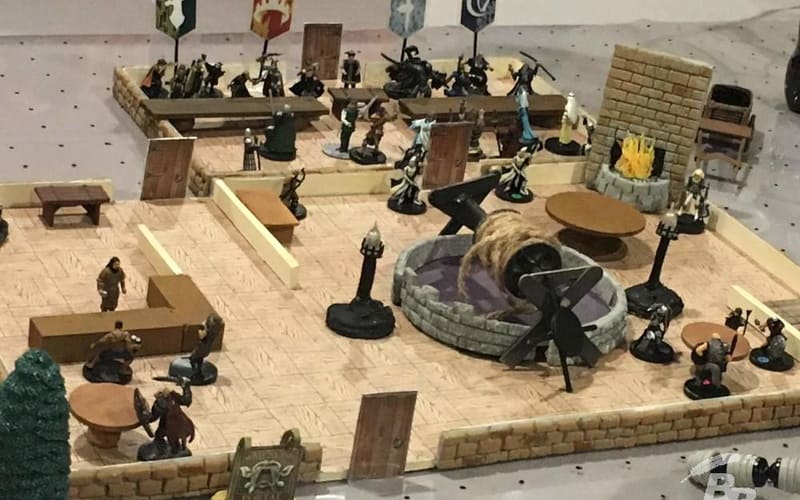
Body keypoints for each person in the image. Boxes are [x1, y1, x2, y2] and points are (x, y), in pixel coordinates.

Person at [189, 313, 224, 383]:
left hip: (201, 347)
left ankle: (194, 372)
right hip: (207, 349)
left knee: (193, 358)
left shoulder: (207, 332)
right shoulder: (214, 333)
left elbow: (201, 335)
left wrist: (203, 328)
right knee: (200, 359)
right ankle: (198, 370)